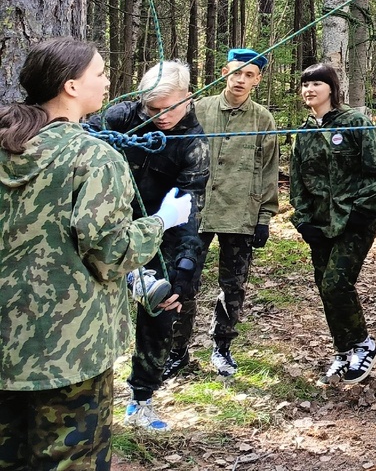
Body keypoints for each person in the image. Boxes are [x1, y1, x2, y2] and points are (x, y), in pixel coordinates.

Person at [0, 37, 192, 471]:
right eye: (100, 73)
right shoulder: (94, 158)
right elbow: (110, 252)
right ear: (71, 86)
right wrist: (162, 220)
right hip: (70, 352)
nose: (108, 82)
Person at [91, 59, 209, 433]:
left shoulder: (193, 143)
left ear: (188, 97)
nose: (161, 116)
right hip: (103, 227)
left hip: (162, 233)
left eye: (170, 107)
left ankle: (141, 399)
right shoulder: (121, 117)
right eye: (152, 109)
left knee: (161, 309)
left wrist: (185, 268)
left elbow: (191, 210)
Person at [168, 48, 280, 379]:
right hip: (194, 215)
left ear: (257, 80)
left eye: (249, 75)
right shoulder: (198, 110)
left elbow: (268, 170)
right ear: (224, 72)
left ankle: (222, 347)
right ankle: (178, 350)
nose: (240, 80)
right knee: (183, 282)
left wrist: (264, 217)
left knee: (233, 287)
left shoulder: (263, 119)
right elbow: (177, 158)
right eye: (236, 72)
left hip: (240, 214)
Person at [291, 63, 376, 385]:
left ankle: (364, 344)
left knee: (336, 282)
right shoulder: (303, 133)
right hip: (320, 224)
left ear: (331, 88)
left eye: (316, 84)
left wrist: (360, 214)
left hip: (357, 220)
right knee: (325, 286)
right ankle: (345, 351)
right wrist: (303, 221)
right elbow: (297, 182)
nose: (309, 90)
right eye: (305, 84)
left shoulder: (355, 123)